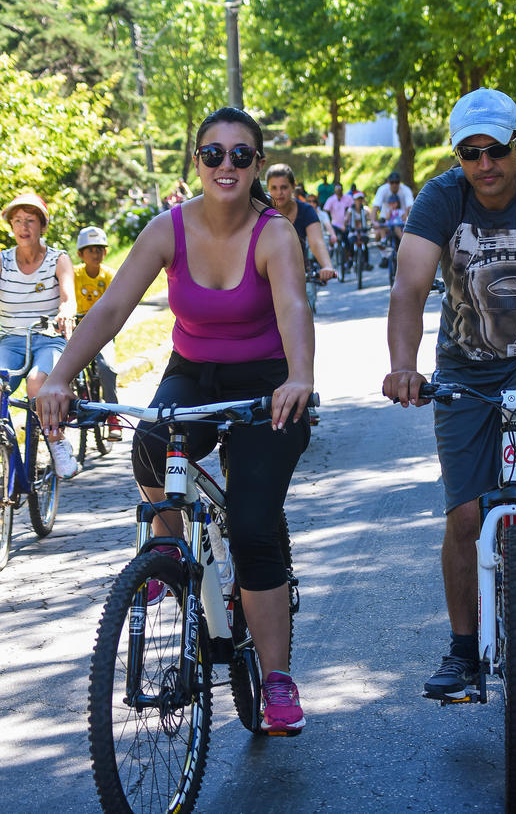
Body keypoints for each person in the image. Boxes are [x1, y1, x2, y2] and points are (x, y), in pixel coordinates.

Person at [36, 107, 314, 734]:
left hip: (268, 382)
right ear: (197, 160)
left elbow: (294, 307)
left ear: (255, 165)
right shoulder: (168, 230)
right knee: (148, 444)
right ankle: (168, 544)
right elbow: (109, 310)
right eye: (212, 153)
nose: (226, 165)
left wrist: (300, 376)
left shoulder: (274, 234)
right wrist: (57, 378)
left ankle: (276, 679)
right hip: (193, 371)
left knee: (250, 525)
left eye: (241, 156)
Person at [382, 87, 516, 701]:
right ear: (458, 157)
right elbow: (408, 286)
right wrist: (403, 364)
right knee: (464, 516)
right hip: (466, 364)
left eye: (496, 150)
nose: (485, 165)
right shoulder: (441, 199)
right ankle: (462, 652)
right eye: (470, 153)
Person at [0, 192, 79, 478]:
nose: (23, 227)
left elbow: (69, 297)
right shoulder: (3, 261)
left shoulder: (58, 259)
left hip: (49, 338)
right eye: (17, 221)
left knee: (37, 383)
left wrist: (66, 310)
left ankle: (57, 443)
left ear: (42, 226)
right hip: (11, 340)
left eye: (30, 221)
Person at [74, 226, 122, 440]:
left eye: (99, 249)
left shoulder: (110, 275)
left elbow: (115, 305)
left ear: (106, 251)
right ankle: (77, 402)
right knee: (64, 366)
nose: (95, 254)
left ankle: (113, 416)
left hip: (101, 332)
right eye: (90, 249)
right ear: (80, 254)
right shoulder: (74, 275)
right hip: (76, 331)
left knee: (106, 367)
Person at [265, 164, 336, 283]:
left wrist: (327, 266)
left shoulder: (306, 210)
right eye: (274, 188)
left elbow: (316, 242)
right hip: (268, 276)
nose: (279, 193)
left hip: (299, 275)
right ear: (268, 188)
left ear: (293, 186)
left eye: (284, 187)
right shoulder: (261, 211)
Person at [371, 171, 414, 264]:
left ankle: (407, 249)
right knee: (378, 235)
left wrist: (408, 219)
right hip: (387, 217)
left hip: (402, 217)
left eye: (397, 182)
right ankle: (385, 256)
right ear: (388, 182)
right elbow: (375, 207)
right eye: (392, 182)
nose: (394, 184)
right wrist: (373, 221)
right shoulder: (382, 190)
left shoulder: (405, 190)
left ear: (399, 183)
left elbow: (410, 207)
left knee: (404, 233)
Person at [346, 191, 373, 270]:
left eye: (361, 199)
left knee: (365, 245)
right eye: (357, 199)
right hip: (353, 231)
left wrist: (371, 225)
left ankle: (366, 262)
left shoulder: (365, 210)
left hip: (363, 232)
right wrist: (346, 225)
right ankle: (350, 260)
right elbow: (346, 219)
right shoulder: (350, 210)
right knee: (351, 243)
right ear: (354, 200)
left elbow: (371, 219)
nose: (359, 201)